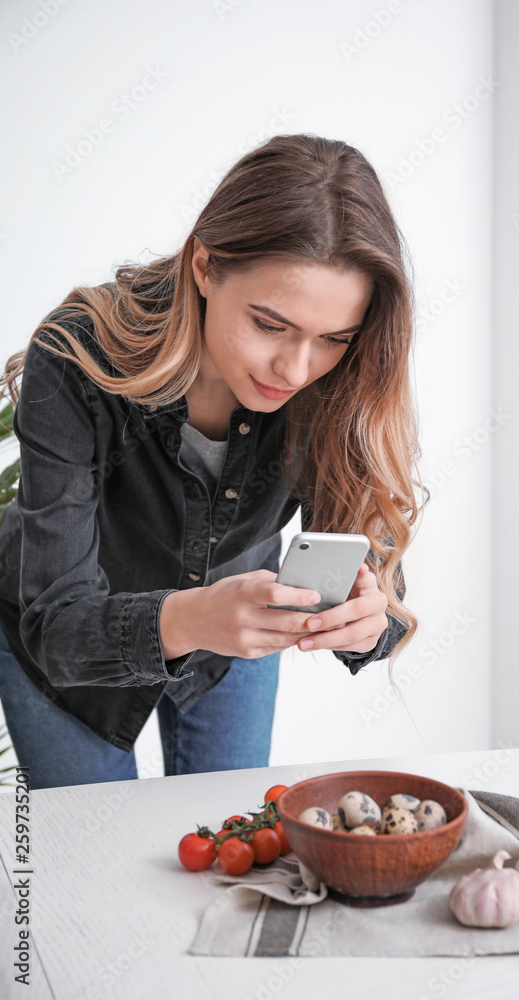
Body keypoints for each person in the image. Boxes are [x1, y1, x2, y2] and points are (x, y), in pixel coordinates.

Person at [0, 133, 426, 789]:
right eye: (269, 323)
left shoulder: (338, 382)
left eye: (333, 339)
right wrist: (193, 616)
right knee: (92, 862)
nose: (296, 368)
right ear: (205, 265)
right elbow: (58, 632)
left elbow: (369, 574)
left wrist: (368, 622)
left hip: (236, 639)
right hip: (62, 649)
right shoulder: (76, 355)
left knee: (227, 849)